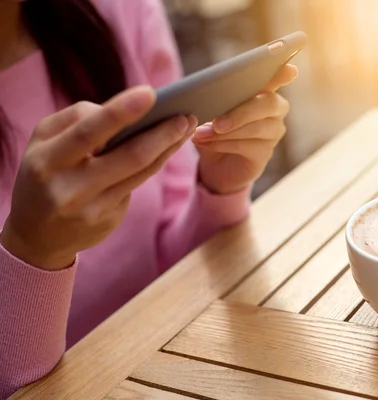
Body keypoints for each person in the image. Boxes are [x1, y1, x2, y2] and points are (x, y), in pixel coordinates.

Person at [0, 0, 297, 397]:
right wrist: (30, 251)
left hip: (168, 367)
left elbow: (168, 263)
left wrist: (218, 192)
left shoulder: (124, 9)